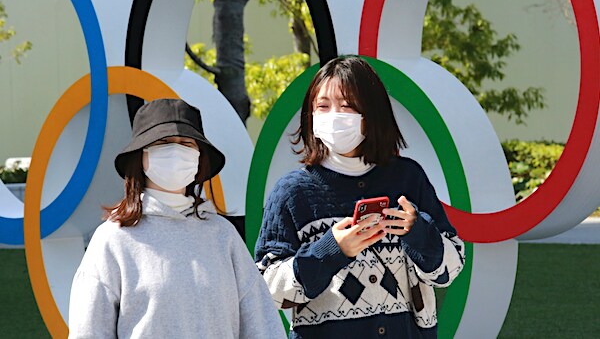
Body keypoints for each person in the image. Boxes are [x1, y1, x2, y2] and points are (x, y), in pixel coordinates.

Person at [255, 56, 465, 338]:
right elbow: (267, 289)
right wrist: (329, 252)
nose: (334, 116)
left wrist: (417, 232)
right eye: (322, 107)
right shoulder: (292, 192)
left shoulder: (408, 178)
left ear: (372, 114)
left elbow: (449, 270)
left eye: (347, 106)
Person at [68, 98, 286, 339]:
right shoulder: (113, 240)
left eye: (186, 143)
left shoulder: (223, 236)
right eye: (163, 142)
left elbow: (263, 325)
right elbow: (88, 332)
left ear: (199, 158)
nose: (176, 150)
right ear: (141, 157)